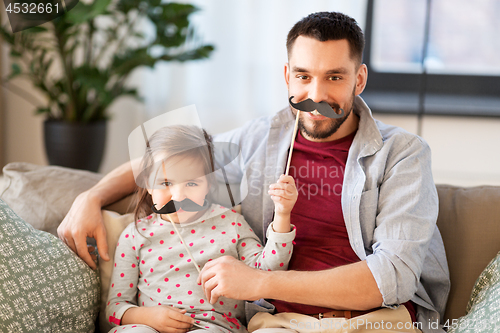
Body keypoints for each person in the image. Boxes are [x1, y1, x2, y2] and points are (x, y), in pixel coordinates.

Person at [59, 11, 450, 333]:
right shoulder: (261, 138)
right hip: (279, 324)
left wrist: (259, 281)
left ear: (359, 79)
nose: (316, 95)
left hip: (374, 323)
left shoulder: (403, 154)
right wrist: (89, 198)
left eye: (334, 77)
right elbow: (173, 159)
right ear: (287, 76)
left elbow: (392, 277)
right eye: (303, 76)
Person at [105, 125, 297, 333]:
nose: (178, 196)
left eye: (191, 184)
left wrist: (282, 214)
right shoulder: (135, 235)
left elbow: (269, 270)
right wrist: (147, 317)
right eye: (166, 182)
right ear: (149, 186)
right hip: (148, 326)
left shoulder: (231, 223)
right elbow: (116, 307)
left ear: (208, 184)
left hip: (213, 327)